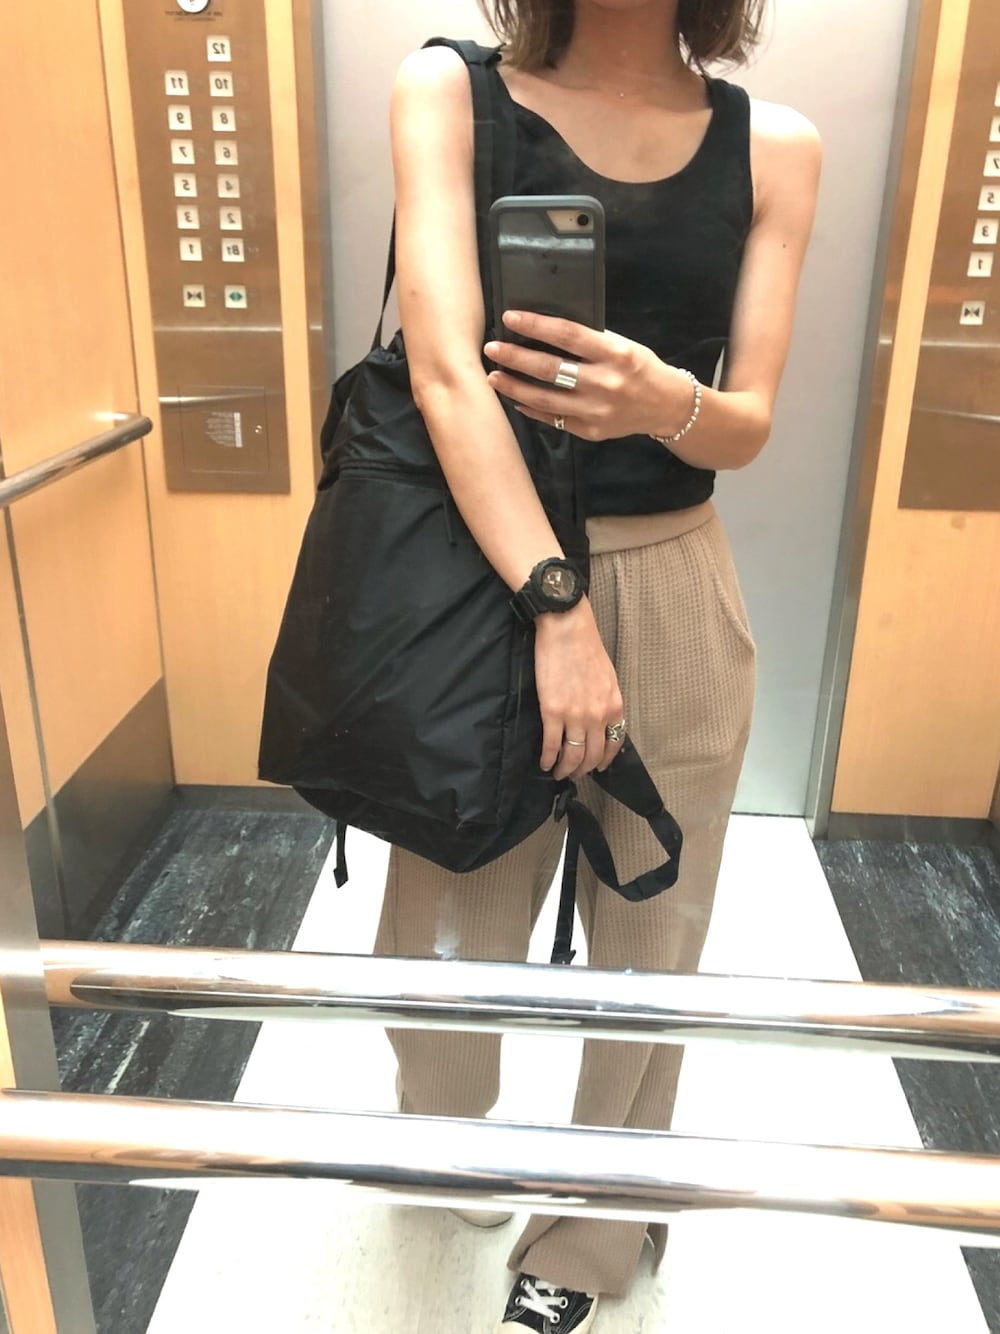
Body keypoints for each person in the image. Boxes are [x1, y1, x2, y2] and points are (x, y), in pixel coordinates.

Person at [373, 1, 822, 1329]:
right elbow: (445, 374)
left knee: (654, 931)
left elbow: (745, 424)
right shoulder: (450, 92)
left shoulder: (774, 145)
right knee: (445, 918)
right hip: (487, 578)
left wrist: (662, 401)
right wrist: (556, 607)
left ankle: (595, 1227)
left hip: (676, 576)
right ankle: (450, 1140)